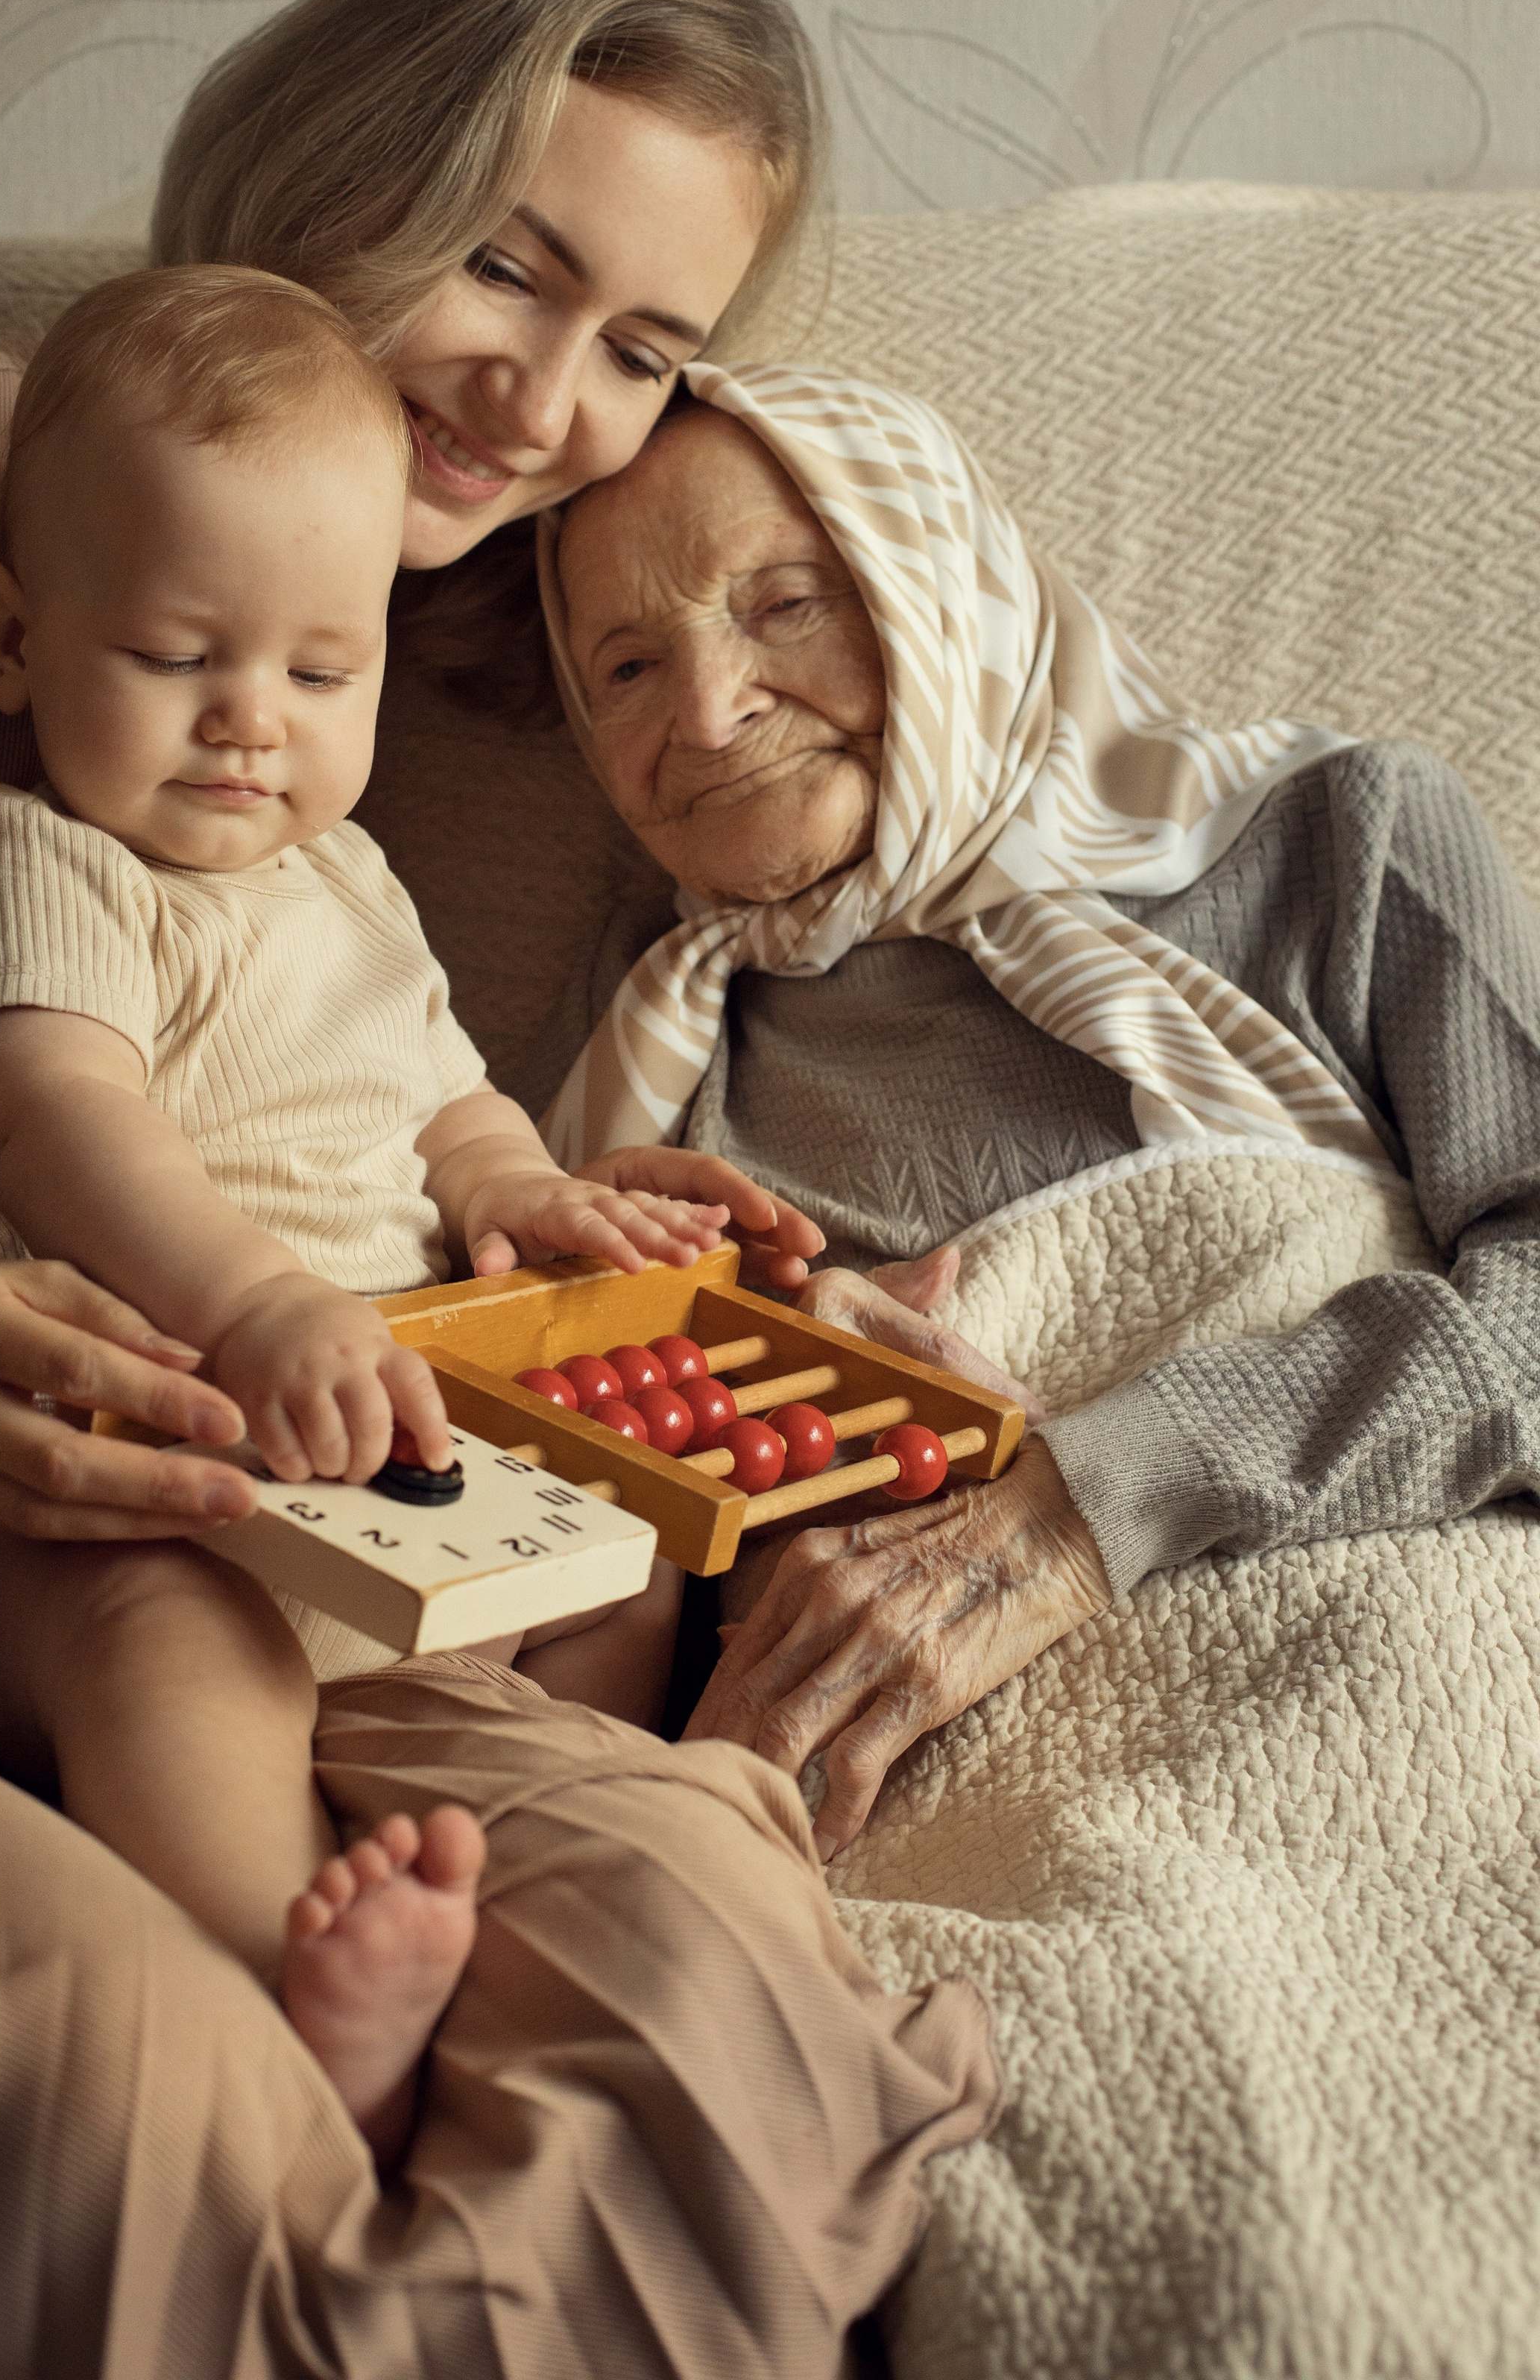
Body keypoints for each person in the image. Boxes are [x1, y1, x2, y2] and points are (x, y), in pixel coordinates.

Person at [0, 0, 990, 2372]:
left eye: (648, 349)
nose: (548, 400)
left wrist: (563, 1226)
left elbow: (410, 1142)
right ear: (348, 156)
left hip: (277, 1530)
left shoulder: (468, 688)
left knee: (705, 1941)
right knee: (136, 2079)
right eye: (508, 259)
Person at [0, 260, 736, 2167]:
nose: (251, 724)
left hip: (372, 1478)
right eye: (180, 657)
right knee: (179, 1645)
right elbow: (56, 1123)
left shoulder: (349, 884)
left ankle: (568, 1800)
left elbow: (446, 1096)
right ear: (14, 638)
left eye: (321, 673)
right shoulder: (42, 870)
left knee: (628, 1549)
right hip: (69, 1488)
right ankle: (287, 1991)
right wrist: (247, 1300)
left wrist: (524, 1194)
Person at [538, 362, 1540, 1858]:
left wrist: (1087, 1496)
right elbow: (571, 1598)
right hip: (913, 1820)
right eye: (620, 668)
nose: (706, 708)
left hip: (1376, 1706)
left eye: (784, 603)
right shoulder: (633, 1054)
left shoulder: (1335, 837)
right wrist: (753, 1404)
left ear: (931, 581)